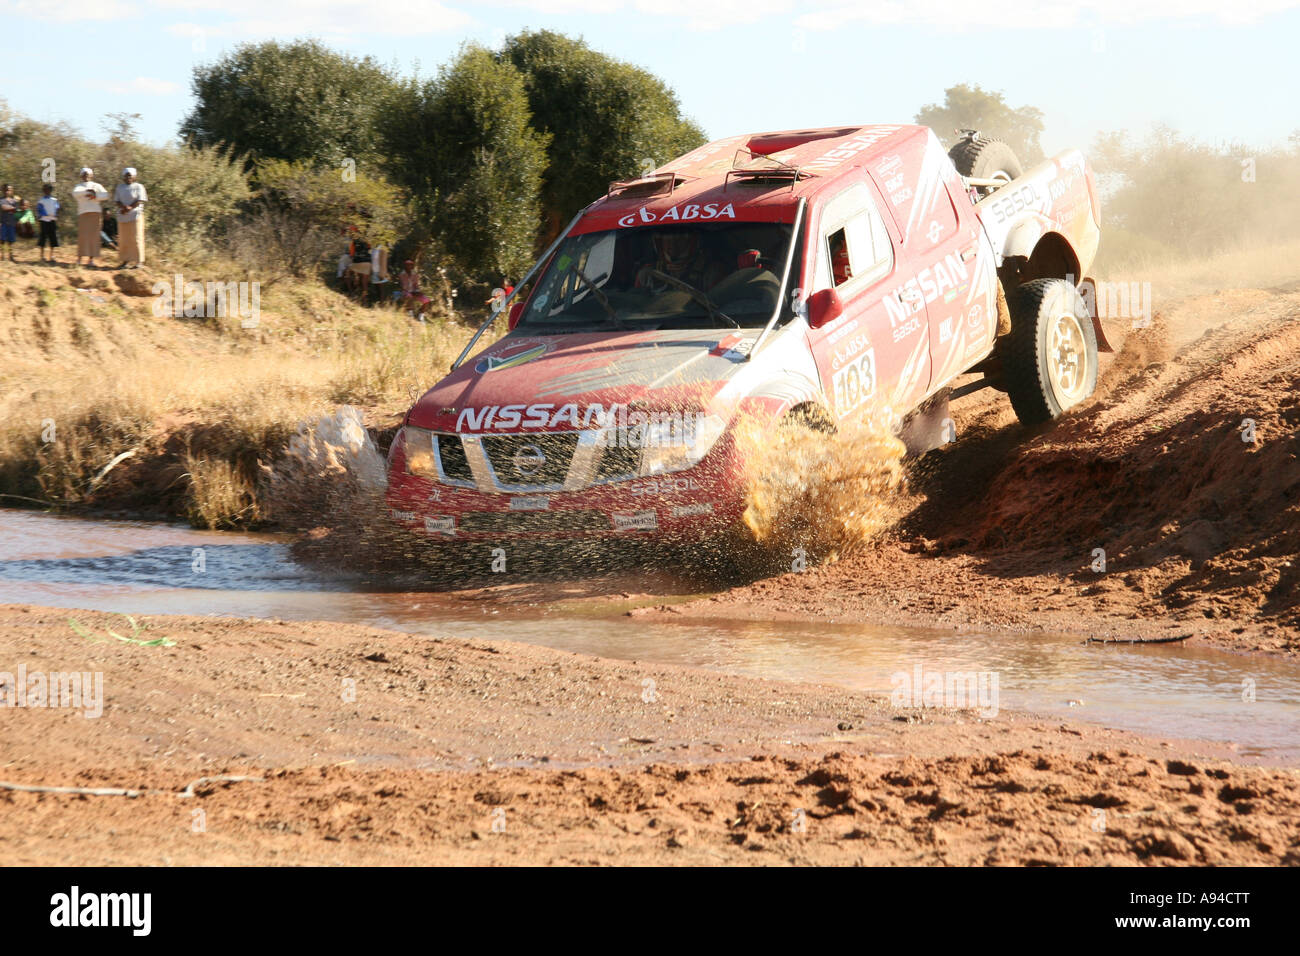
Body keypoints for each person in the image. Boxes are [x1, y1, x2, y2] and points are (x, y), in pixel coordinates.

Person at [635, 229, 726, 293]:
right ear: (659, 242)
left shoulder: (711, 271)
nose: (673, 245)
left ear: (693, 240)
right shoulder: (647, 274)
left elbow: (718, 307)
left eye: (680, 238)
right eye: (667, 239)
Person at [72, 168, 109, 267]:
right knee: (82, 236)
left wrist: (95, 195)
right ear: (81, 176)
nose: (86, 176)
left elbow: (105, 195)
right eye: (84, 174)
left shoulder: (97, 185)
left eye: (88, 174)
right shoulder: (78, 186)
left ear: (91, 175)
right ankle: (80, 258)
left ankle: (91, 259)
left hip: (95, 213)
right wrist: (87, 192)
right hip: (83, 213)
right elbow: (75, 194)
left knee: (94, 237)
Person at [113, 167, 148, 268]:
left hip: (135, 214)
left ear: (134, 177)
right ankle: (125, 261)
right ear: (123, 177)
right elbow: (117, 200)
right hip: (123, 215)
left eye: (130, 175)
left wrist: (130, 207)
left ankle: (139, 262)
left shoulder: (139, 187)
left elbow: (140, 200)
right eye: (126, 175)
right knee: (124, 239)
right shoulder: (119, 187)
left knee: (136, 238)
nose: (128, 177)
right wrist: (123, 207)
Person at [35, 184, 60, 263]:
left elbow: (57, 208)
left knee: (53, 237)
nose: (47, 191)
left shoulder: (54, 200)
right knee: (43, 237)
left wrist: (55, 214)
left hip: (52, 220)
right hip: (44, 220)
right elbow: (40, 209)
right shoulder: (41, 200)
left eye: (48, 189)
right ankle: (42, 256)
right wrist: (45, 214)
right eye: (45, 189)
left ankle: (52, 256)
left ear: (50, 190)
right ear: (43, 191)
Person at [0, 185, 20, 262]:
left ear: (12, 191)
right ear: (3, 190)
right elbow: (3, 208)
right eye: (5, 190)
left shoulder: (14, 201)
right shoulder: (1, 200)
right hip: (3, 222)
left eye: (9, 190)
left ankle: (10, 256)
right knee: (2, 240)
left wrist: (11, 208)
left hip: (11, 223)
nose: (7, 191)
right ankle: (2, 256)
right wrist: (12, 208)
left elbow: (17, 210)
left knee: (10, 241)